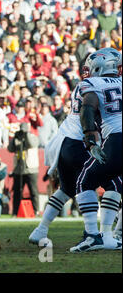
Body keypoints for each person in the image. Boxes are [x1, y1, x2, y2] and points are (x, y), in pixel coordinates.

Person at [30, 73, 122, 245]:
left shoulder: (86, 84)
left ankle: (40, 229)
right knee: (113, 183)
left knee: (67, 189)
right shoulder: (100, 86)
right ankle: (101, 234)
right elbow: (93, 113)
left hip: (64, 139)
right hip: (79, 141)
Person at [70, 48, 122, 252]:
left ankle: (92, 236)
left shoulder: (92, 83)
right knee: (117, 185)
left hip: (117, 139)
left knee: (84, 181)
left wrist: (90, 138)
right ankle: (110, 235)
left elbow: (88, 107)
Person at [8, 122, 40, 216]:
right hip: (19, 169)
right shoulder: (17, 138)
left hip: (31, 169)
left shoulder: (33, 136)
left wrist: (26, 135)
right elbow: (10, 149)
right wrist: (14, 137)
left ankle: (35, 211)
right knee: (17, 192)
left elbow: (31, 144)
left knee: (33, 191)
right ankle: (15, 212)